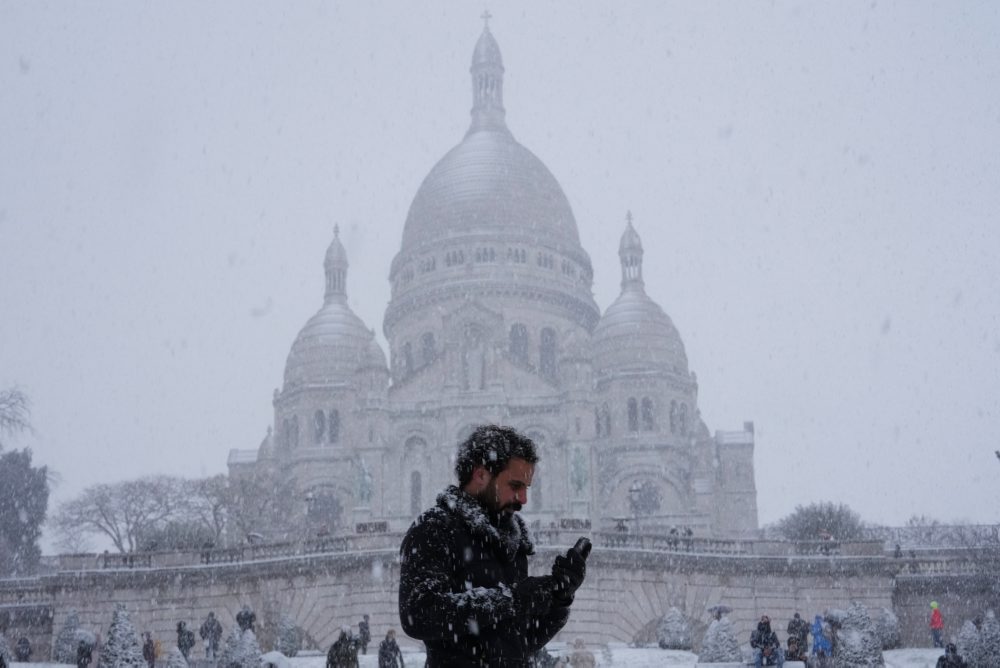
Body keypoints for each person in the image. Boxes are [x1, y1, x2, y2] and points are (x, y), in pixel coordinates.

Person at [398, 425, 588, 666]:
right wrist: (513, 600)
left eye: (526, 488)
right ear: (481, 475)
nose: (523, 499)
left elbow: (523, 642)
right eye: (515, 486)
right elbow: (418, 615)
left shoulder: (512, 540)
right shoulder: (434, 529)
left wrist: (560, 598)